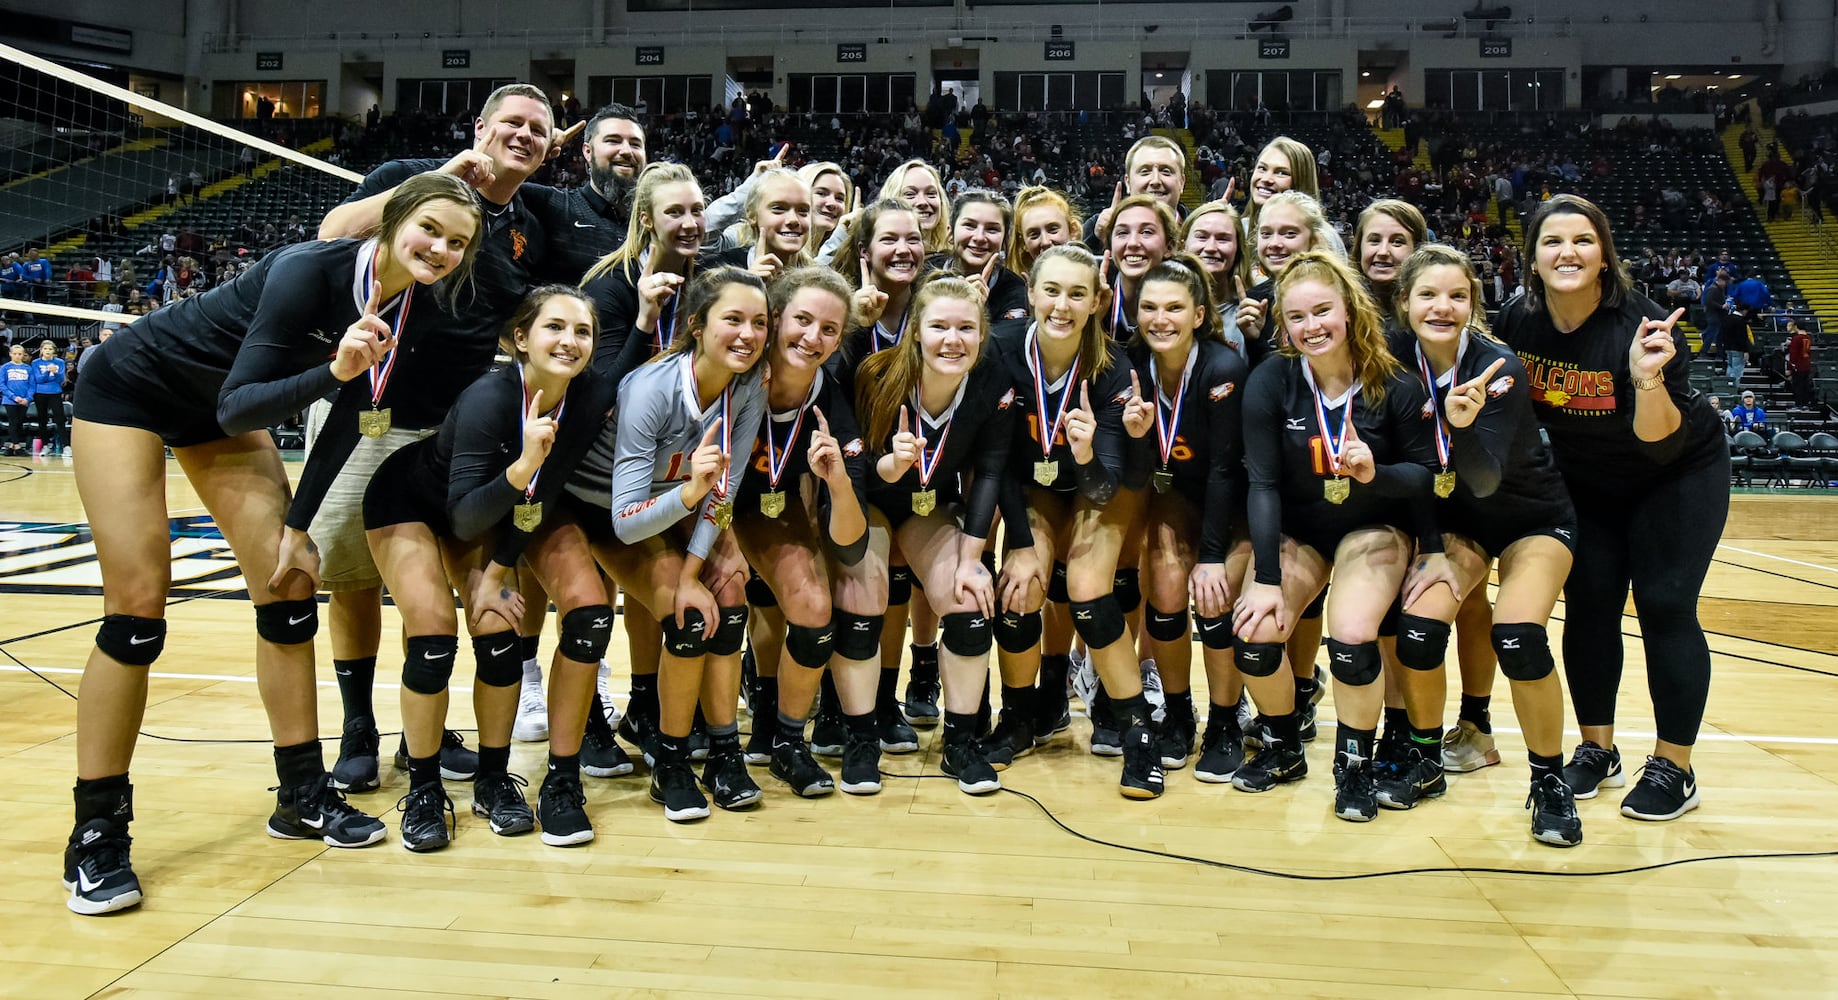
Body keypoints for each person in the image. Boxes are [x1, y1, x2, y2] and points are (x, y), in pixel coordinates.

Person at [60, 172, 482, 914]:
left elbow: (353, 411)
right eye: (431, 231)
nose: (441, 249)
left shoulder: (411, 303)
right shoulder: (305, 271)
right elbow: (239, 405)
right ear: (392, 222)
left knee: (289, 587)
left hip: (215, 412)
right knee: (136, 613)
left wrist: (298, 527)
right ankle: (97, 832)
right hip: (134, 387)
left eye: (458, 243)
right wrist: (332, 368)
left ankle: (300, 794)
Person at [314, 84, 571, 794]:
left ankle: (420, 737)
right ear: (481, 126)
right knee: (354, 580)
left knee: (435, 589)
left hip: (453, 427)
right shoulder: (417, 178)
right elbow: (333, 232)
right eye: (511, 122)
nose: (523, 135)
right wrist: (447, 179)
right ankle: (359, 728)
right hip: (367, 408)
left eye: (538, 129)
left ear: (551, 146)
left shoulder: (530, 221)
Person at [1496, 194, 1728, 822]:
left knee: (1664, 604)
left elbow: (1661, 440)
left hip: (1674, 473)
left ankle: (1675, 767)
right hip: (1587, 481)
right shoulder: (1517, 321)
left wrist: (1647, 377)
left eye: (1582, 241)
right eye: (1552, 241)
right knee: (1591, 604)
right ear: (1532, 259)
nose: (1567, 252)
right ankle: (1598, 750)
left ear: (1604, 257)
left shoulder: (1643, 326)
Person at [364, 286, 605, 850]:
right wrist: (523, 466)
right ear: (521, 338)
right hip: (412, 503)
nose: (569, 341)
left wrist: (496, 573)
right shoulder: (489, 399)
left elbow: (535, 501)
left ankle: (494, 779)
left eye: (582, 332)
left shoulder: (587, 397)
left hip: (491, 511)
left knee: (499, 632)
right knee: (432, 638)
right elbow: (465, 517)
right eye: (554, 328)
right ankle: (423, 789)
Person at [1231, 250, 1440, 823]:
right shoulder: (1271, 380)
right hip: (1300, 528)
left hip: (1373, 525)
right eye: (1296, 317)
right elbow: (1264, 484)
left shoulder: (1391, 382)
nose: (1311, 327)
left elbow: (1426, 477)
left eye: (1322, 311)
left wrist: (1377, 472)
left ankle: (1354, 762)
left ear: (1348, 310)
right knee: (1253, 632)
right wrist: (1268, 578)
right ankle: (1282, 746)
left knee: (1350, 637)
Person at [1388, 244, 1583, 844]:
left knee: (1519, 637)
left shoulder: (1499, 367)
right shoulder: (1392, 364)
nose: (1442, 307)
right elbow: (1412, 472)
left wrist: (1462, 424)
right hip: (1457, 526)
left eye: (1457, 295)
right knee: (1418, 627)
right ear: (1403, 303)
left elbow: (1485, 477)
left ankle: (1549, 781)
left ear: (1474, 304)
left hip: (1531, 518)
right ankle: (1424, 756)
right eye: (1427, 294)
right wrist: (1431, 547)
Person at [566, 266, 768, 822]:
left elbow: (723, 491)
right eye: (733, 319)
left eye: (759, 322)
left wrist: (693, 567)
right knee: (687, 616)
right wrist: (684, 563)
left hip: (674, 500)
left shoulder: (748, 384)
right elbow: (628, 521)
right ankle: (672, 763)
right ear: (697, 326)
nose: (748, 334)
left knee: (728, 596)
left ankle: (725, 749)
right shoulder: (650, 389)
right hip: (600, 508)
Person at [850, 275, 1017, 794]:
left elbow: (990, 471)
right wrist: (890, 467)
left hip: (929, 509)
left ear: (983, 333)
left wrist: (972, 558)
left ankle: (960, 742)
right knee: (862, 602)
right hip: (869, 504)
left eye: (966, 328)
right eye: (939, 326)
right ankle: (863, 733)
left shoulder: (992, 380)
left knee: (969, 602)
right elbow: (855, 471)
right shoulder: (877, 375)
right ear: (914, 332)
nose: (953, 340)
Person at [984, 244, 1139, 778]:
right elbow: (996, 461)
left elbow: (1104, 487)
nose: (1062, 305)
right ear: (1030, 294)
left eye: (1077, 293)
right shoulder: (999, 348)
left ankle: (1134, 730)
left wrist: (1086, 454)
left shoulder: (1114, 367)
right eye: (1051, 290)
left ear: (1098, 300)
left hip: (1097, 489)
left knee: (1089, 591)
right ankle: (1019, 717)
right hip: (1032, 486)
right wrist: (1023, 545)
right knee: (1021, 585)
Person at [728, 268, 882, 795]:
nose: (813, 338)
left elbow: (852, 540)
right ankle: (702, 737)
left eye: (830, 330)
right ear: (775, 320)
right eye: (802, 320)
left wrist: (837, 482)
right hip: (694, 507)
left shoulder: (833, 404)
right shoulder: (730, 373)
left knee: (815, 607)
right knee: (720, 599)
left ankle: (788, 743)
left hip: (767, 507)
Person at [1124, 255, 1251, 783]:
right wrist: (1134, 437)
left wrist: (1215, 556)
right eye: (1149, 307)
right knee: (1168, 593)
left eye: (1174, 307)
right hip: (1172, 492)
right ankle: (1178, 711)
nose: (1160, 318)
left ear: (1198, 315)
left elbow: (1225, 469)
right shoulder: (1130, 362)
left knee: (1216, 599)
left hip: (1234, 499)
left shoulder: (1223, 368)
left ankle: (1225, 721)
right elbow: (1132, 464)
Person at [1083, 135, 1189, 251]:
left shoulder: (1201, 230)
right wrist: (1100, 242)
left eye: (1166, 171)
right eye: (1145, 172)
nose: (1155, 181)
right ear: (1128, 183)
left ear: (1182, 182)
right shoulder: (1095, 228)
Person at [1180, 200, 1253, 353]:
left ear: (1238, 249)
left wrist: (1256, 343)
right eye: (1201, 237)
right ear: (1182, 246)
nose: (1211, 248)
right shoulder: (1163, 305)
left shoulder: (1253, 309)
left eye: (1223, 239)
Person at [1008, 185, 1081, 280]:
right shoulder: (1015, 290)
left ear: (1073, 230)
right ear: (1023, 243)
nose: (1045, 242)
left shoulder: (1094, 283)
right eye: (1034, 234)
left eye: (1053, 230)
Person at [879, 159, 951, 253]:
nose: (923, 202)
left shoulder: (954, 261)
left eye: (931, 193)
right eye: (910, 194)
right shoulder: (874, 261)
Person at [30, 340, 67, 456]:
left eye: (50, 349)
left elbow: (61, 380)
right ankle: (45, 446)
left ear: (54, 351)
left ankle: (66, 446)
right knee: (42, 419)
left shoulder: (60, 362)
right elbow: (38, 379)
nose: (48, 351)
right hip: (40, 393)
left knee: (60, 419)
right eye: (45, 349)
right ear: (41, 350)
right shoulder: (35, 362)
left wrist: (55, 373)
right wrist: (47, 372)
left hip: (55, 392)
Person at [3, 343, 30, 455]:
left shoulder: (28, 368)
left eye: (20, 354)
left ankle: (11, 446)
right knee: (13, 422)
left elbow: (32, 385)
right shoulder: (5, 367)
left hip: (24, 400)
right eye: (15, 354)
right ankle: (18, 447)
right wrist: (13, 397)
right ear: (10, 354)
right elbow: (2, 385)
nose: (17, 356)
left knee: (19, 423)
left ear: (23, 355)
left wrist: (27, 398)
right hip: (10, 400)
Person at [1785, 319, 1815, 407]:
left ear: (1796, 327)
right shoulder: (1808, 337)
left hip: (1798, 365)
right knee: (1805, 385)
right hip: (1806, 364)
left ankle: (1799, 404)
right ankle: (1805, 403)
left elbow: (1793, 355)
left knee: (1798, 385)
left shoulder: (1796, 338)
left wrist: (1789, 368)